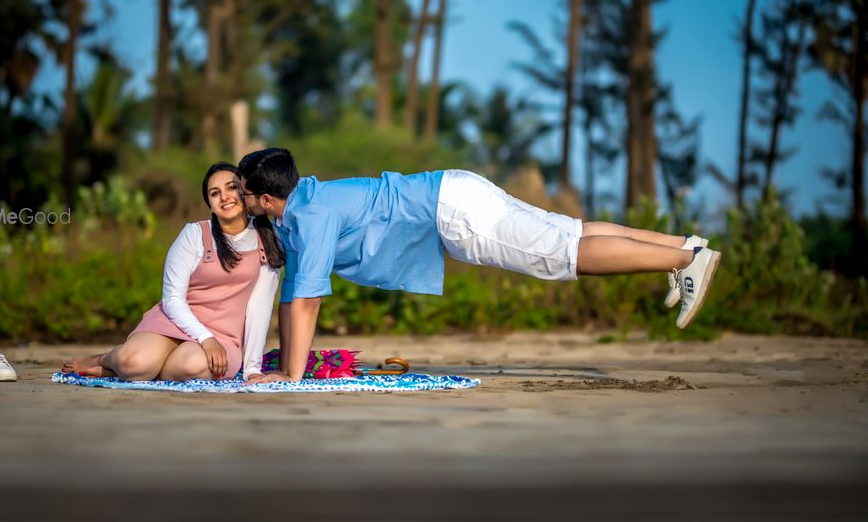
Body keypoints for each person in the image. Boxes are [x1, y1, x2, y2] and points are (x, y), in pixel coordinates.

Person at [237, 148, 722, 383]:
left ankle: (684, 261)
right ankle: (689, 246)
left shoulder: (309, 214)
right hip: (453, 191)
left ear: (264, 196)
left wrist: (291, 377)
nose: (235, 198)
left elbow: (304, 300)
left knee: (564, 255)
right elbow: (294, 291)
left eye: (240, 191)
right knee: (570, 232)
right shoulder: (305, 204)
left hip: (455, 213)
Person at [62, 163, 284, 382]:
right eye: (215, 193)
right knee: (134, 363)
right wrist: (205, 337)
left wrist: (252, 368)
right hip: (173, 323)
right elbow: (172, 299)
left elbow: (259, 306)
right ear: (210, 204)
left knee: (189, 366)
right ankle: (106, 360)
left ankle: (144, 370)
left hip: (224, 337)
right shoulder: (194, 234)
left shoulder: (266, 237)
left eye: (232, 187)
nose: (225, 196)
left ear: (245, 190)